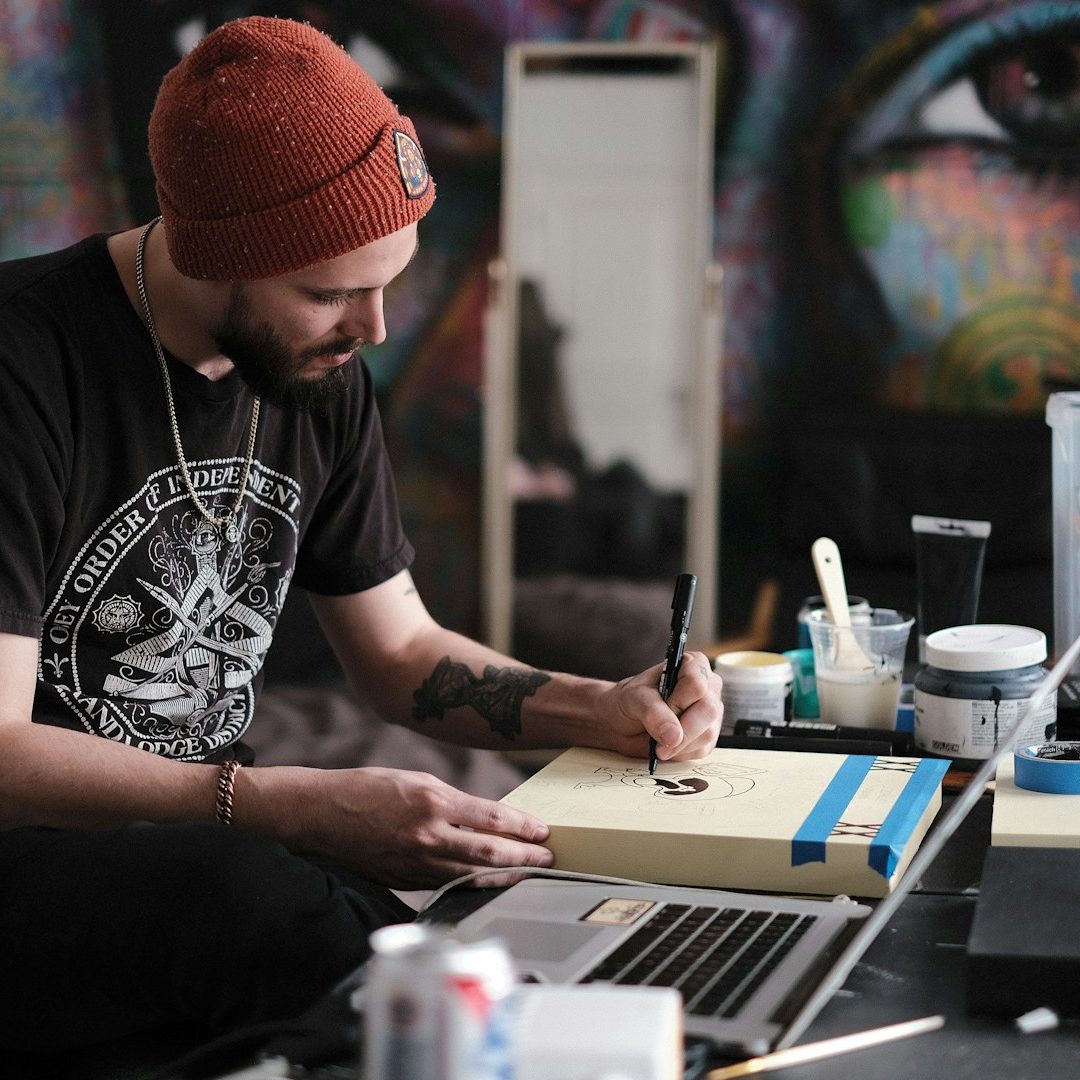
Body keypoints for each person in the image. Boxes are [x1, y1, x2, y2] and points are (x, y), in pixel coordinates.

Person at [0, 15, 723, 1055]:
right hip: (36, 857)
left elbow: (400, 657)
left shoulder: (315, 372)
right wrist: (286, 805)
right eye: (332, 292)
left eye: (390, 280)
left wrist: (599, 707)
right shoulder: (25, 368)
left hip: (202, 838)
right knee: (265, 904)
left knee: (456, 931)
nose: (374, 328)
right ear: (216, 256)